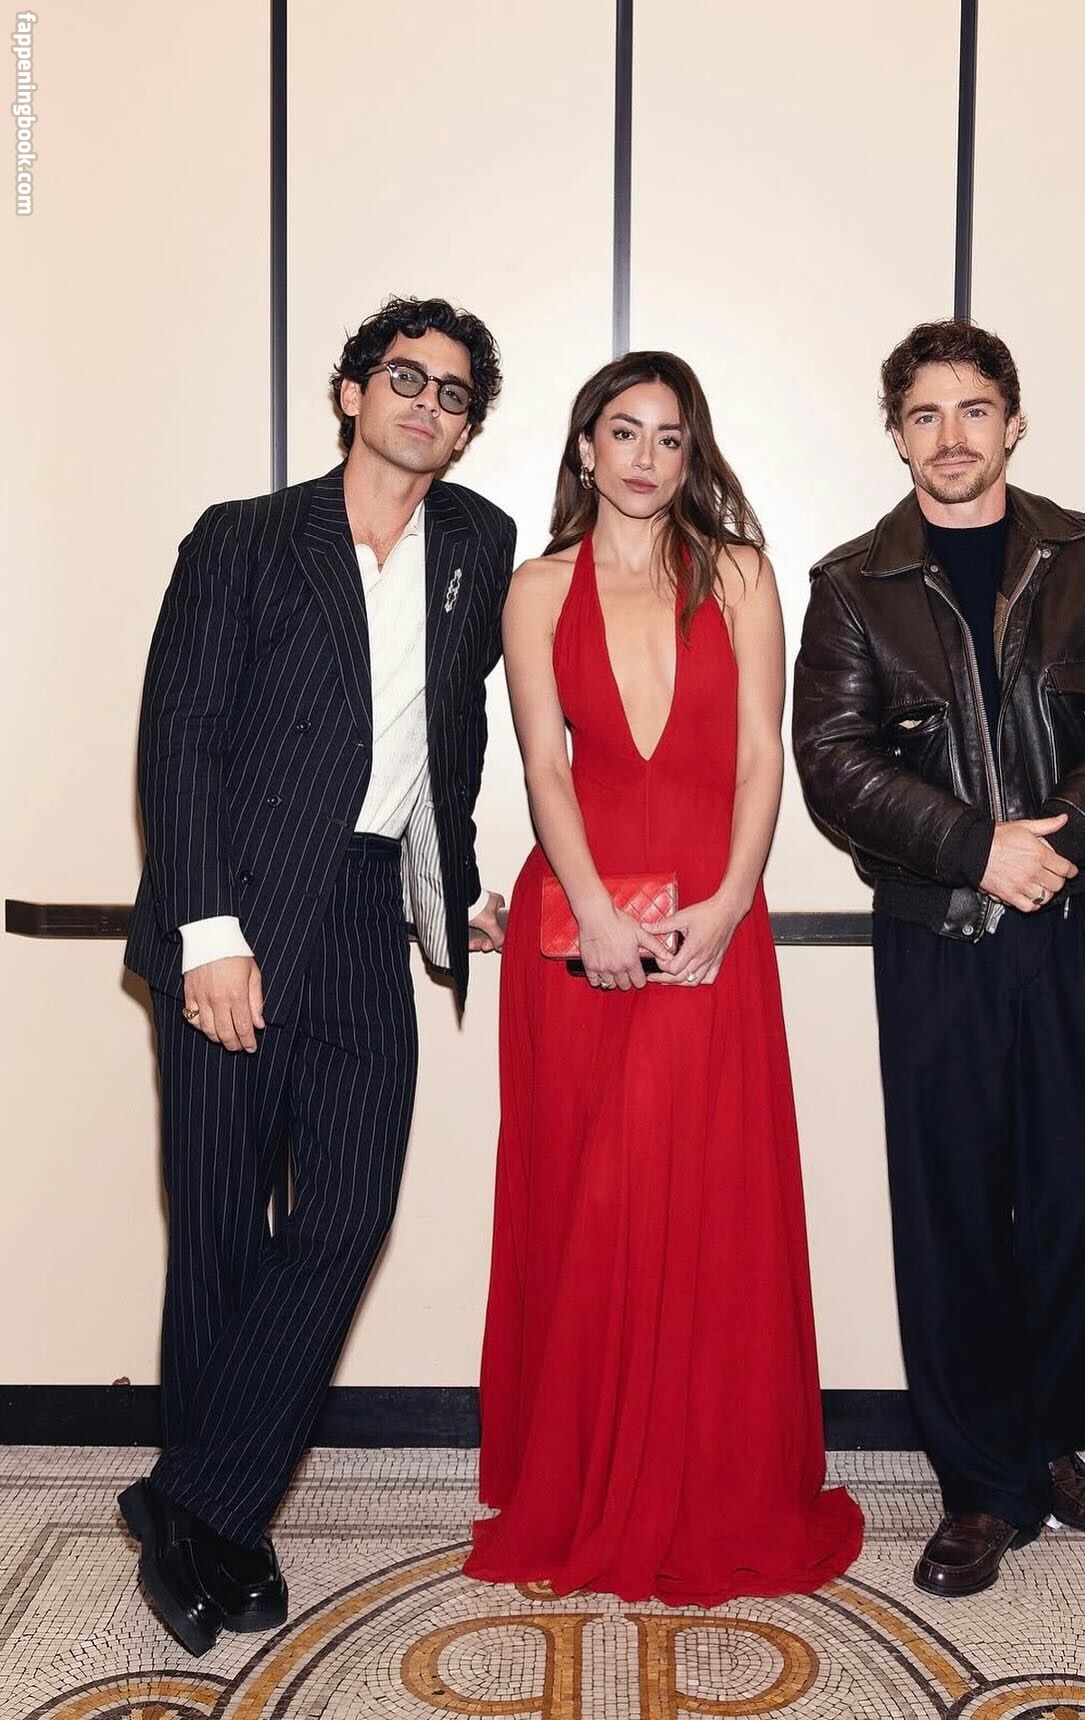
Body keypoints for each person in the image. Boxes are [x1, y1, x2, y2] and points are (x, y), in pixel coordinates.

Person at [117, 296, 516, 1654]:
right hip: (234, 908)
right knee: (222, 1231)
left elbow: (452, 735)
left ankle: (192, 1501)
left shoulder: (478, 545)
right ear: (351, 392)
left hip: (361, 911)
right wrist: (206, 933)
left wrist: (456, 890)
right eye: (404, 377)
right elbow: (179, 738)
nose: (425, 404)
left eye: (452, 394)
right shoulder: (242, 537)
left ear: (467, 429)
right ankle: (222, 1524)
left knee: (347, 1213)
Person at [793, 319, 1085, 1597]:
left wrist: (1057, 840)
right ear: (897, 434)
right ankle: (981, 1486)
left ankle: (1039, 1439)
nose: (951, 435)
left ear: (1012, 423)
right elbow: (831, 759)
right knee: (954, 1213)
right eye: (925, 413)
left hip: (1077, 924)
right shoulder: (851, 586)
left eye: (973, 409)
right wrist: (977, 849)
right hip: (940, 939)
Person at [464, 351, 863, 1603]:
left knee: (702, 1199)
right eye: (624, 431)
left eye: (671, 436)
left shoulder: (740, 573)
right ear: (586, 448)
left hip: (710, 915)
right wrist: (589, 908)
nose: (646, 456)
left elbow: (760, 758)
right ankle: (583, 1478)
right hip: (577, 923)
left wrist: (733, 902)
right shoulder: (536, 587)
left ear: (694, 455)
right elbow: (543, 765)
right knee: (587, 1198)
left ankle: (706, 1478)